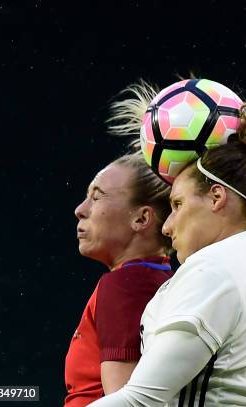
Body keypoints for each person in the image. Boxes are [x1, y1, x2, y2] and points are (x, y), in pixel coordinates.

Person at [88, 84, 246, 406]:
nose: (167, 226)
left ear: (216, 197)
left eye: (178, 204)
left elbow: (140, 400)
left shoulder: (216, 274)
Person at [64, 153, 174, 406]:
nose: (80, 210)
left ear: (141, 219)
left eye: (97, 196)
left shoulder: (126, 285)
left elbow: (125, 400)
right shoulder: (162, 279)